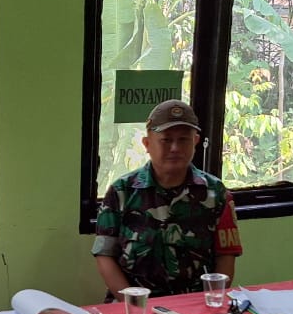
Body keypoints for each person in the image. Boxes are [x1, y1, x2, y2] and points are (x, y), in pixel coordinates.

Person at [92, 99, 242, 297]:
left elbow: (226, 258)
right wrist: (134, 303)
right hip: (132, 304)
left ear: (196, 142)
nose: (175, 148)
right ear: (147, 144)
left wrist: (210, 303)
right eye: (166, 140)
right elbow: (105, 255)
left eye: (183, 140)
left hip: (194, 304)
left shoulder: (216, 193)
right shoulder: (121, 192)